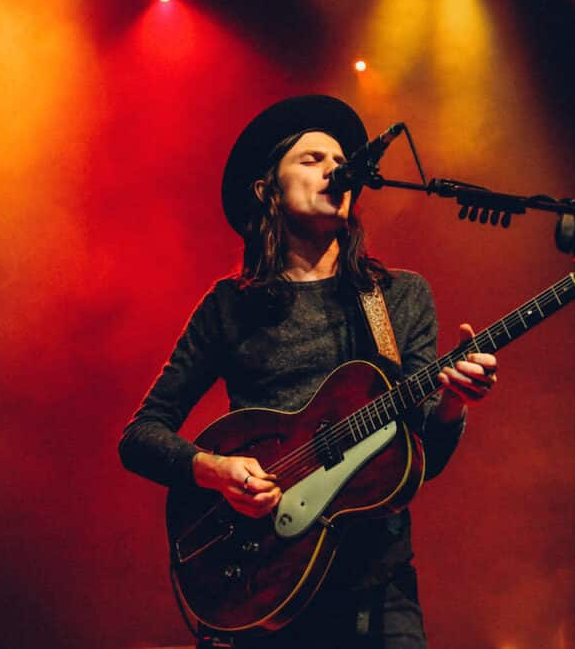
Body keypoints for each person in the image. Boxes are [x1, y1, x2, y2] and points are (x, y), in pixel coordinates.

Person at [119, 95, 498, 648]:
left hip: (377, 587)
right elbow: (141, 435)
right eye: (311, 159)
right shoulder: (231, 305)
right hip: (258, 577)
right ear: (267, 189)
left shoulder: (399, 296)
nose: (332, 170)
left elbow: (421, 461)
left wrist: (453, 403)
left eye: (338, 160)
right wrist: (215, 469)